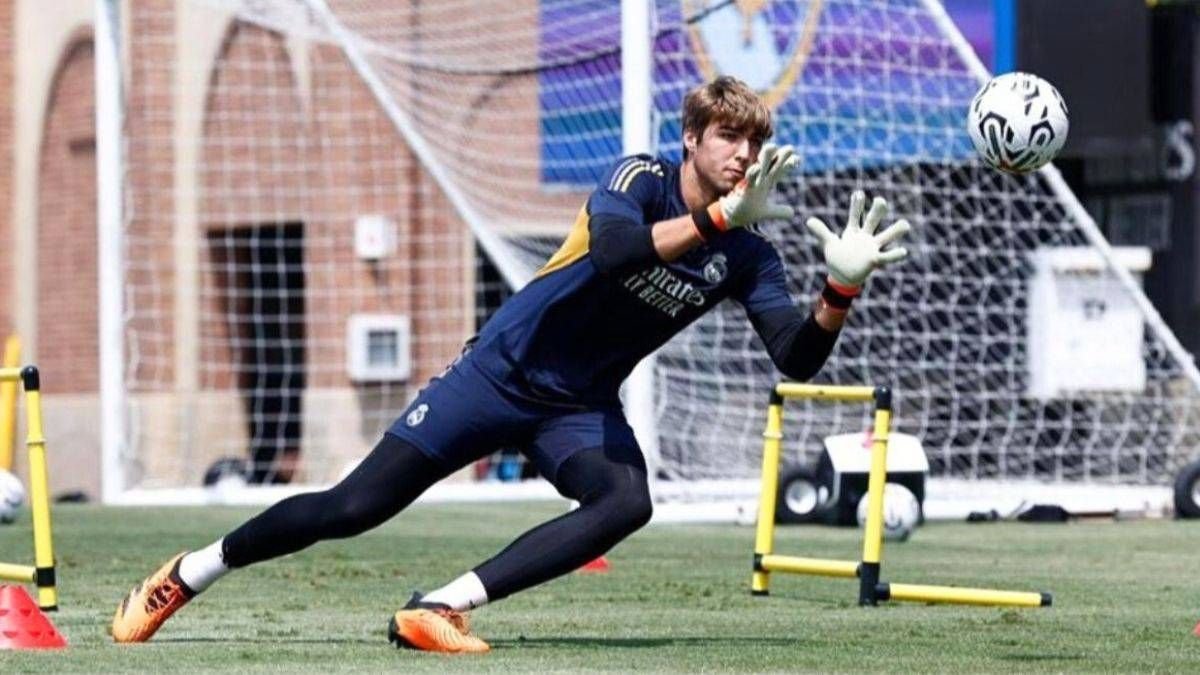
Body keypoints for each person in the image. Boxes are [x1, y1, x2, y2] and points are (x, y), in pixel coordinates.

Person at [110, 76, 910, 653]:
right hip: (495, 374)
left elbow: (796, 357)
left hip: (578, 405)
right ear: (692, 140)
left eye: (754, 142)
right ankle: (190, 570)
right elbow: (615, 253)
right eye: (729, 138)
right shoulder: (640, 179)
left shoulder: (749, 252)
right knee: (352, 507)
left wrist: (838, 286)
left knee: (626, 500)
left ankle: (442, 607)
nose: (744, 154)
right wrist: (718, 215)